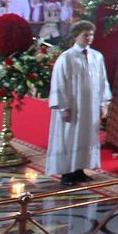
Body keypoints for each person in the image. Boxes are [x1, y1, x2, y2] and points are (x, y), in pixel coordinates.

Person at [47, 21, 110, 185]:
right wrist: (63, 107)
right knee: (69, 137)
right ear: (76, 36)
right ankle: (67, 172)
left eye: (91, 34)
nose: (89, 38)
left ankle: (80, 169)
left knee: (86, 138)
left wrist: (104, 103)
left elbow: (103, 81)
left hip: (90, 106)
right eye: (85, 35)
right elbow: (59, 82)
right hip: (74, 106)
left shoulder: (97, 56)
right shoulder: (66, 58)